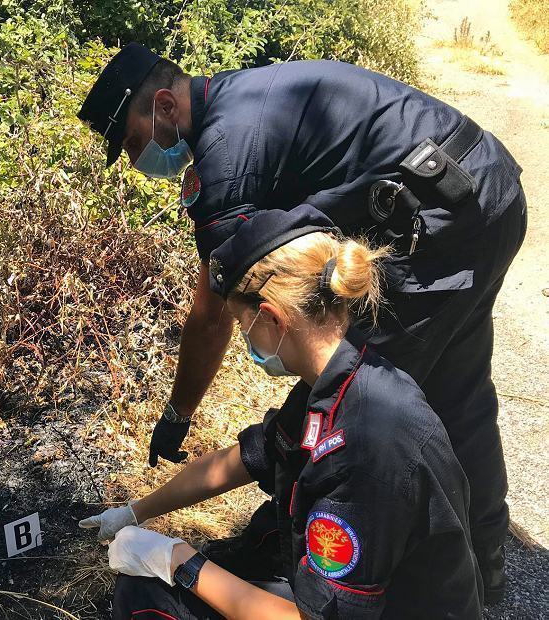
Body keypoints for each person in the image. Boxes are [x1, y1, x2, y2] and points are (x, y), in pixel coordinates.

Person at [76, 43, 527, 601]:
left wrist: (177, 414)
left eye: (134, 142)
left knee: (343, 407)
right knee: (459, 394)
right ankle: (487, 570)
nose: (139, 158)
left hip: (438, 221)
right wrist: (139, 508)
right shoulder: (243, 95)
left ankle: (315, 564)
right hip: (486, 186)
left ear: (165, 105)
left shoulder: (225, 159)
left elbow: (214, 313)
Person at [80, 205, 483, 619]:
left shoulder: (366, 450)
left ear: (271, 318)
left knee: (147, 599)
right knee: (255, 541)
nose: (244, 339)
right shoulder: (341, 379)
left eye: (243, 324)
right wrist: (136, 511)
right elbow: (244, 460)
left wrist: (178, 561)